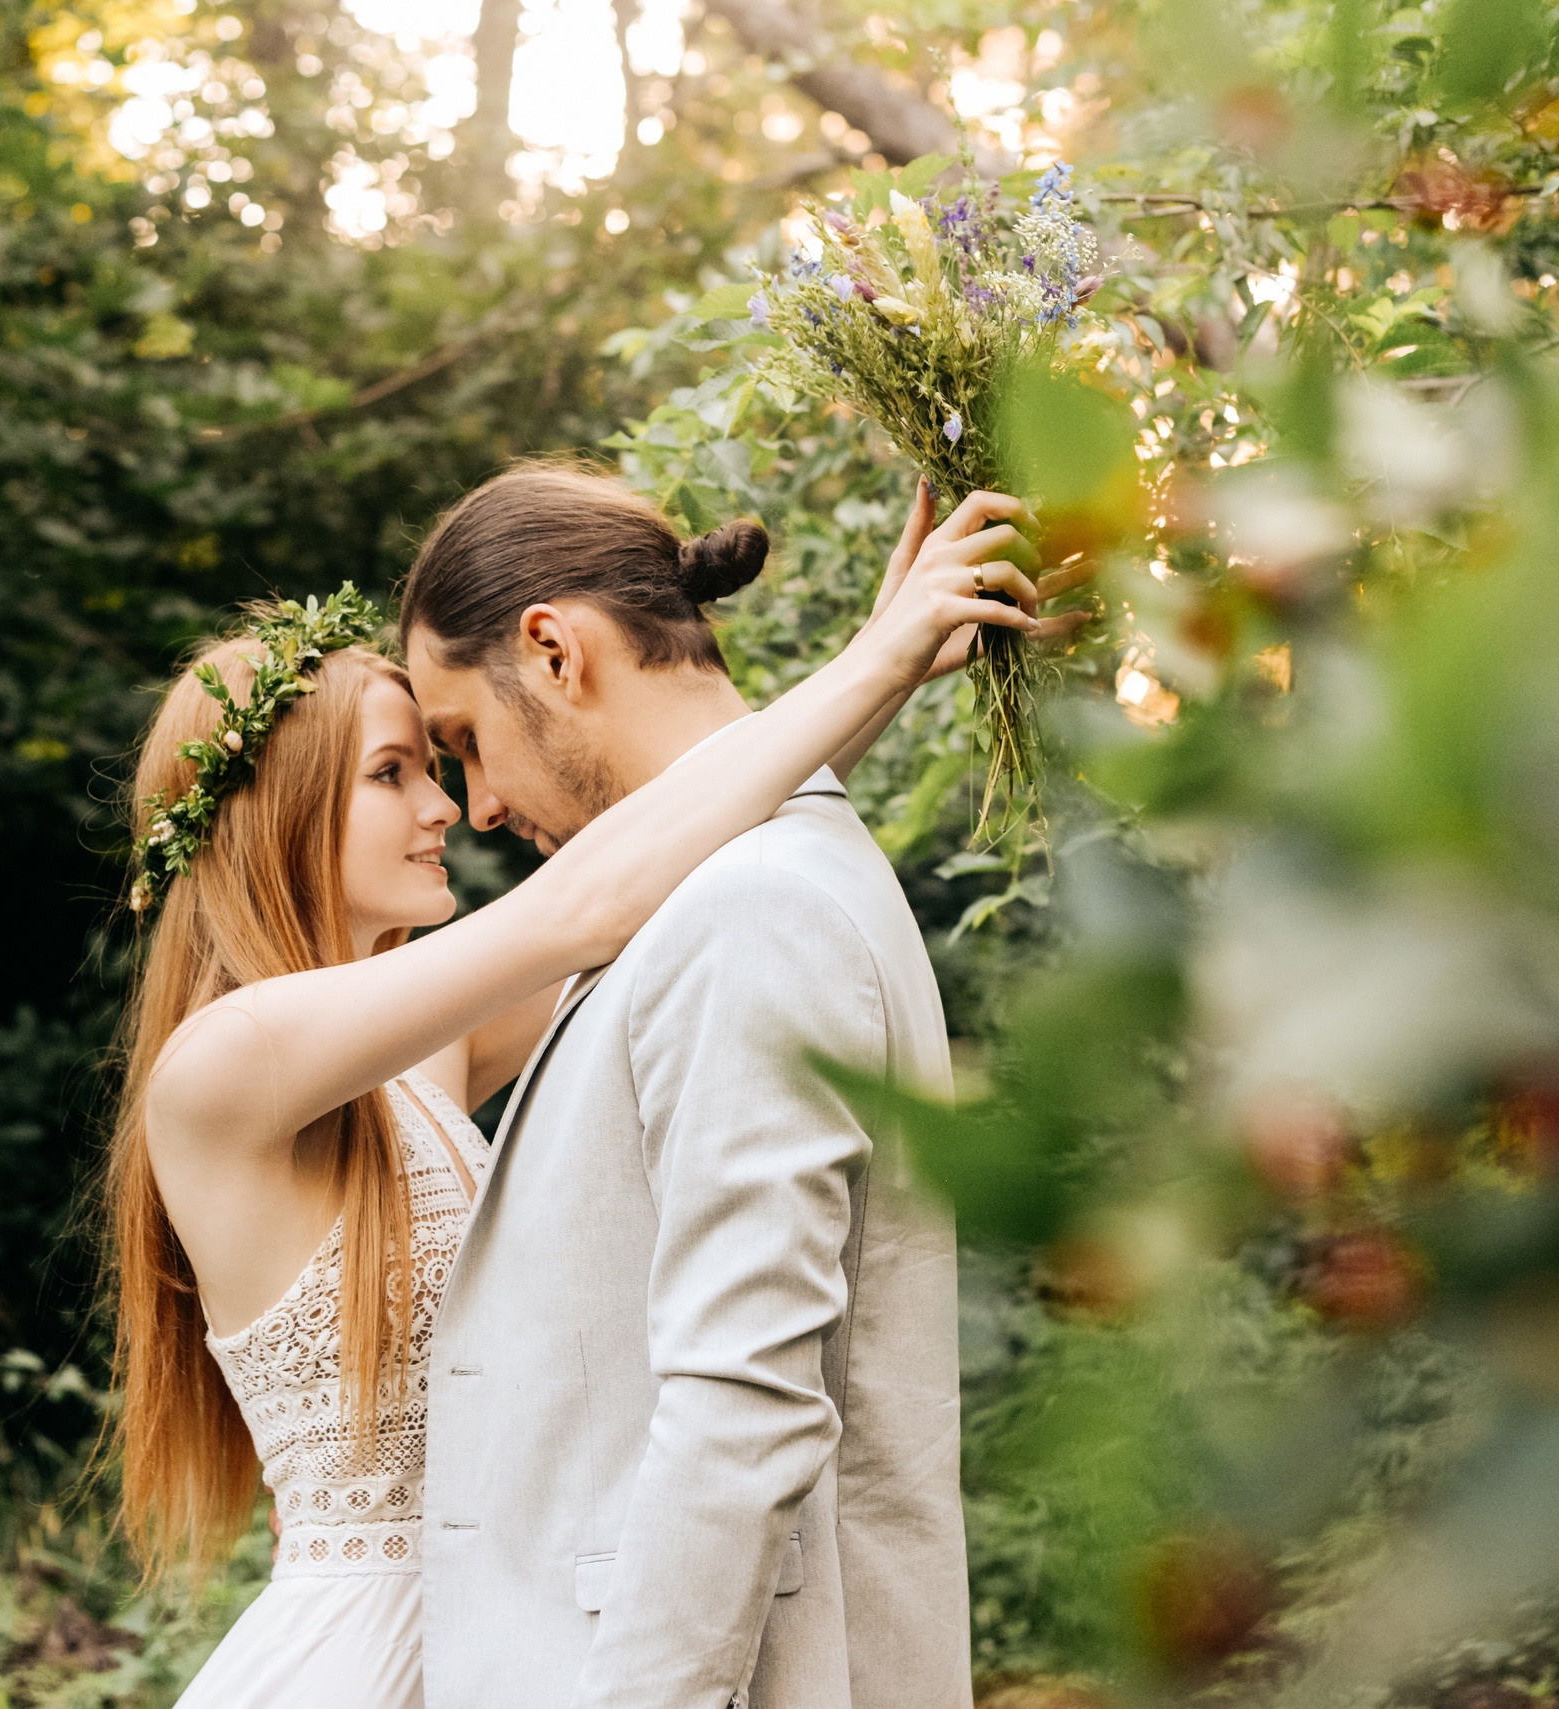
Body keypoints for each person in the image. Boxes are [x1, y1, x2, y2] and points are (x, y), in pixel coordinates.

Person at [102, 469, 1080, 1709]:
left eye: (440, 758)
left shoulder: (417, 1045)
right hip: (358, 1653)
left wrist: (878, 681)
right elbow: (587, 901)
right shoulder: (223, 1066)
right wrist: (872, 661)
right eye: (398, 770)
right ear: (284, 811)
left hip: (490, 1632)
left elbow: (668, 878)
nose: (452, 808)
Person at [399, 466, 1085, 1709]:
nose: (480, 805)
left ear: (553, 649)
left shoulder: (751, 914)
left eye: (462, 744)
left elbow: (740, 1411)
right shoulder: (740, 886)